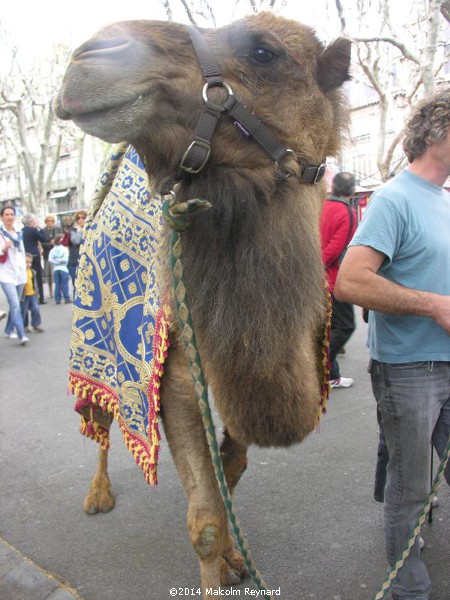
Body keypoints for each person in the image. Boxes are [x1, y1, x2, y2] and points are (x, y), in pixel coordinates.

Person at [335, 86, 450, 600]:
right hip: (410, 369)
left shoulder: (445, 199)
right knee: (411, 490)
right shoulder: (393, 197)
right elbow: (350, 282)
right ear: (437, 135)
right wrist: (434, 305)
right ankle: (409, 590)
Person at [320, 171, 357, 388]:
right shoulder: (347, 212)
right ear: (352, 191)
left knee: (327, 328)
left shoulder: (321, 207)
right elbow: (336, 248)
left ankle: (332, 375)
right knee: (345, 327)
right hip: (333, 281)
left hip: (314, 280)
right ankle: (320, 367)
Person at [0, 205, 28, 345]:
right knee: (15, 304)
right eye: (7, 214)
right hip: (5, 274)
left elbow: (22, 253)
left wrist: (25, 269)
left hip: (20, 274)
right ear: (2, 217)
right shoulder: (0, 234)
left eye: (12, 214)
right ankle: (21, 334)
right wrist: (2, 248)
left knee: (15, 303)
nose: (10, 217)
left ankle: (9, 329)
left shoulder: (19, 233)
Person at [21, 213, 48, 304]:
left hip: (25, 255)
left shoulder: (22, 231)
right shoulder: (33, 230)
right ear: (31, 221)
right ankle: (41, 297)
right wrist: (40, 228)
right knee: (38, 276)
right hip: (34, 255)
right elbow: (43, 238)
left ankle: (29, 296)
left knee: (28, 275)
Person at [21, 253, 44, 333]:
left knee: (36, 308)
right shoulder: (21, 272)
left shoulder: (32, 272)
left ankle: (36, 324)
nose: (28, 264)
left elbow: (35, 283)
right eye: (26, 262)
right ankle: (25, 326)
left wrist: (37, 293)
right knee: (24, 311)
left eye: (30, 263)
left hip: (32, 294)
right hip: (24, 295)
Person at [41, 214, 61, 299]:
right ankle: (50, 291)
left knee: (58, 273)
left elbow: (61, 239)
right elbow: (42, 242)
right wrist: (50, 243)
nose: (50, 223)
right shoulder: (43, 231)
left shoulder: (57, 229)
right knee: (49, 274)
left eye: (52, 221)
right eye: (48, 221)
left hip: (57, 254)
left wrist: (55, 242)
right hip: (47, 254)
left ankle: (58, 291)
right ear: (46, 222)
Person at [49, 233, 72, 305]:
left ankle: (57, 299)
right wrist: (60, 260)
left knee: (57, 284)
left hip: (56, 268)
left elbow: (50, 259)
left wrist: (56, 261)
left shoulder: (53, 250)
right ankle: (66, 298)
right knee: (64, 284)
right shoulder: (65, 249)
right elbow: (66, 259)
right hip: (64, 268)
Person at [68, 210, 87, 291]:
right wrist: (80, 231)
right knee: (76, 285)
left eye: (83, 217)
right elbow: (76, 241)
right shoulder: (74, 230)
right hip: (74, 260)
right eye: (78, 218)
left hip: (87, 260)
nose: (81, 220)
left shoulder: (91, 228)